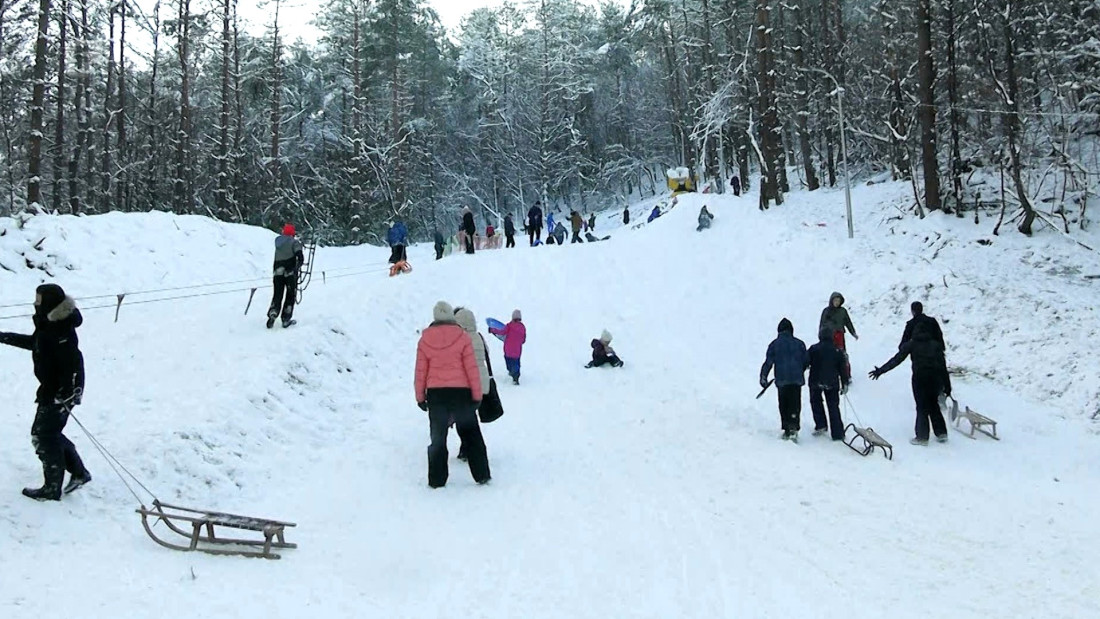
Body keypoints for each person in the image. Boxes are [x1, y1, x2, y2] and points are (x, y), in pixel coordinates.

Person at [0, 284, 91, 501]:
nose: (35, 303)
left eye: (39, 300)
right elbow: (37, 343)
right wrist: (3, 337)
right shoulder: (50, 323)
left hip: (61, 391)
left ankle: (52, 488)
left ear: (49, 303)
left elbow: (72, 363)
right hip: (52, 389)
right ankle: (79, 473)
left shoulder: (60, 330)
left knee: (43, 436)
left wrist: (67, 392)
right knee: (49, 434)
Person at [415, 301, 490, 487]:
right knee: (472, 435)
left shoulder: (425, 339)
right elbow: (471, 369)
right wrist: (477, 395)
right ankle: (481, 475)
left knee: (438, 438)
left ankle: (436, 480)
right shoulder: (463, 337)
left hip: (436, 396)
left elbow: (420, 371)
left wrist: (420, 397)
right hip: (461, 395)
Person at [869, 321, 952, 445]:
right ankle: (941, 433)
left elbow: (897, 360)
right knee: (934, 404)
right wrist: (947, 386)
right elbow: (943, 367)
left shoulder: (912, 344)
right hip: (936, 379)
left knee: (922, 407)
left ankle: (922, 437)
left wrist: (880, 371)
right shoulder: (936, 345)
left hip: (920, 378)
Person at [759, 318, 810, 441]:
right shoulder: (799, 343)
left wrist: (763, 377)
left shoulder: (774, 344)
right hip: (796, 380)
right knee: (795, 403)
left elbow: (768, 362)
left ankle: (787, 427)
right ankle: (794, 426)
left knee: (784, 403)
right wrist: (799, 370)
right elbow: (806, 361)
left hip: (782, 379)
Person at [808, 328, 850, 440]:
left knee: (816, 402)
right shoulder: (837, 350)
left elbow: (805, 362)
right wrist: (845, 382)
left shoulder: (813, 349)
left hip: (815, 380)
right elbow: (843, 368)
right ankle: (838, 433)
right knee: (833, 406)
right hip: (832, 382)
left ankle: (821, 425)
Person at [268, 223, 304, 328]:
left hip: (277, 271)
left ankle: (273, 312)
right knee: (290, 295)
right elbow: (300, 257)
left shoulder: (278, 241)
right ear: (292, 233)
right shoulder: (294, 242)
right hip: (290, 272)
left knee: (277, 293)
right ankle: (286, 318)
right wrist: (296, 267)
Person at [818, 291, 858, 374]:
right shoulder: (826, 311)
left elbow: (848, 322)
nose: (837, 302)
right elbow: (822, 324)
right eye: (835, 300)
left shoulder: (843, 311)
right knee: (830, 355)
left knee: (842, 354)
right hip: (829, 336)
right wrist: (821, 336)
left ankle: (846, 374)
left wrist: (853, 332)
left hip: (840, 335)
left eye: (838, 301)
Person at [489, 309, 527, 385]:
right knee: (516, 363)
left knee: (509, 361)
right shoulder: (523, 328)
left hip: (508, 350)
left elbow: (501, 332)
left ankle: (510, 371)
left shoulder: (509, 326)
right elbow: (523, 340)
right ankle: (516, 376)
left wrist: (492, 330)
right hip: (517, 351)